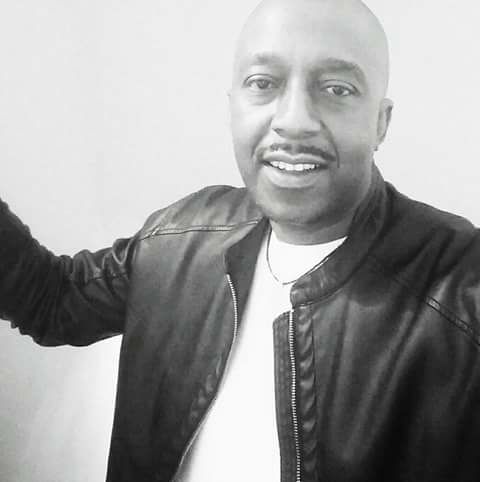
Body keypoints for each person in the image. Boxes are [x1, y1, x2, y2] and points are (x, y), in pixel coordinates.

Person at [1, 0, 480, 481]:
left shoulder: (462, 290)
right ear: (233, 105)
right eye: (264, 84)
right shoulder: (181, 237)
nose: (294, 120)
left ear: (381, 122)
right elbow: (52, 299)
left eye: (337, 89)